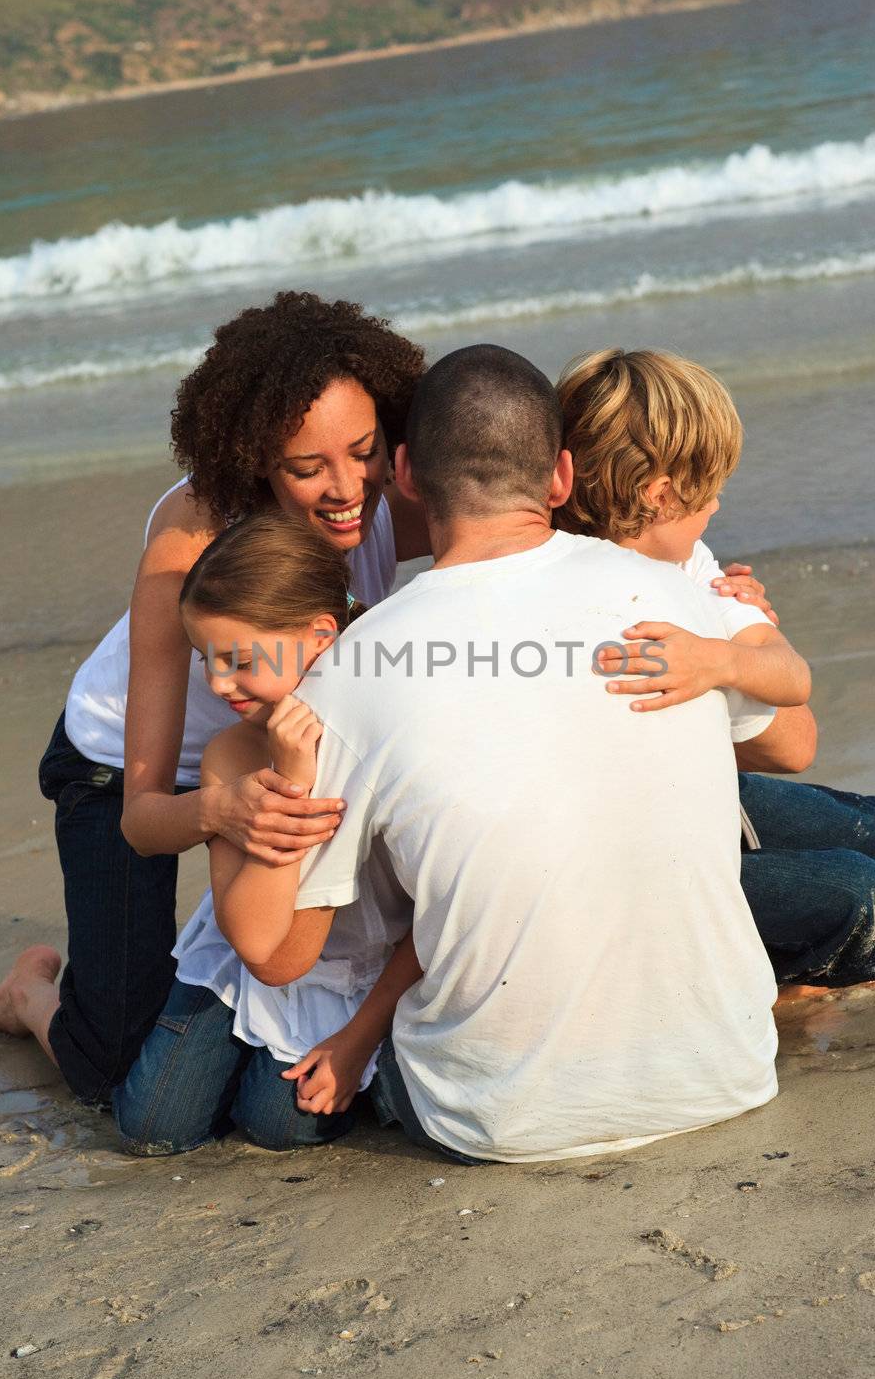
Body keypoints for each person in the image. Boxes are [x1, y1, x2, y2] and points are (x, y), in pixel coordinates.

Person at [228, 343, 809, 1164]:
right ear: (561, 479)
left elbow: (282, 950)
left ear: (402, 474)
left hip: (496, 1120)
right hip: (724, 1070)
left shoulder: (352, 669)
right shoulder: (678, 597)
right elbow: (791, 741)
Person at [0, 292, 426, 1105]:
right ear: (255, 460)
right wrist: (223, 813)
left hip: (259, 759)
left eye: (363, 450)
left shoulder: (383, 497)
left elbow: (521, 523)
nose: (345, 488)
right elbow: (144, 819)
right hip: (120, 766)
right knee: (112, 1065)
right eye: (304, 468)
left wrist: (706, 596)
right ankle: (27, 996)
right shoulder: (186, 548)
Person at [555, 346, 875, 986]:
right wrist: (740, 652)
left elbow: (790, 674)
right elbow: (795, 742)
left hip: (709, 803)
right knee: (851, 892)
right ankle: (784, 987)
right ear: (660, 494)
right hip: (636, 861)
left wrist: (724, 658)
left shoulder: (688, 569)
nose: (716, 508)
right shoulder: (637, 605)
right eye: (709, 494)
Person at [114, 511, 420, 1154]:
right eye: (206, 659)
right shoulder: (233, 753)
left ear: (318, 635)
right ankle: (31, 998)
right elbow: (258, 944)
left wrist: (360, 1034)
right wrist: (293, 778)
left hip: (376, 964)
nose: (218, 683)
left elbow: (437, 911)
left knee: (276, 1123)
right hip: (263, 951)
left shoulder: (392, 729)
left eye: (238, 659)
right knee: (153, 1126)